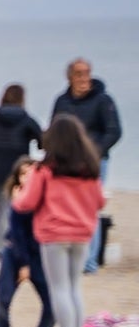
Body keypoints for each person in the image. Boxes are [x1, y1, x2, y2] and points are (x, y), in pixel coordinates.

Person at [13, 115, 106, 327]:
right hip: (83, 234)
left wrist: (16, 195)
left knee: (60, 288)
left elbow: (27, 203)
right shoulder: (91, 170)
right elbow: (100, 202)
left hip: (54, 235)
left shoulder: (45, 170)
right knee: (74, 286)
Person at [49, 58, 118, 272]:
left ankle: (90, 261)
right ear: (70, 77)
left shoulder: (103, 100)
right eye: (79, 74)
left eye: (87, 73)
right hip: (66, 162)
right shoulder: (62, 101)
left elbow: (114, 131)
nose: (83, 79)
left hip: (94, 162)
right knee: (66, 208)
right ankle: (71, 257)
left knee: (90, 208)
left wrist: (93, 153)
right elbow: (55, 128)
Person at [0, 158, 55, 327]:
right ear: (17, 178)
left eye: (31, 174)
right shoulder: (18, 202)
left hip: (38, 255)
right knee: (4, 296)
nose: (27, 178)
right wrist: (24, 265)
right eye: (23, 174)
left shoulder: (45, 199)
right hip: (15, 253)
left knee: (51, 298)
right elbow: (17, 236)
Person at [0, 84, 40, 241]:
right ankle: (6, 243)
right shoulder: (26, 119)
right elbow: (41, 139)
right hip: (17, 171)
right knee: (11, 207)